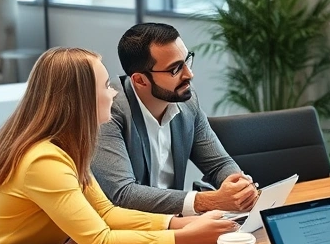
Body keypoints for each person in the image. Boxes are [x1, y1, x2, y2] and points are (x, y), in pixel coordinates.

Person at [0, 47, 237, 244]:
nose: (114, 93)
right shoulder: (43, 159)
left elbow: (106, 213)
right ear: (81, 99)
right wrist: (187, 238)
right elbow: (101, 242)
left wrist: (182, 223)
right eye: (106, 86)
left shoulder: (67, 148)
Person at [92, 23, 257, 216]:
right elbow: (123, 194)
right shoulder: (106, 110)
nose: (189, 74)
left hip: (177, 226)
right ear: (140, 80)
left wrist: (238, 187)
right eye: (175, 69)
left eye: (187, 61)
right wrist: (209, 201)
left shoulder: (187, 100)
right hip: (124, 232)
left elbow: (218, 164)